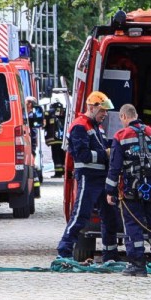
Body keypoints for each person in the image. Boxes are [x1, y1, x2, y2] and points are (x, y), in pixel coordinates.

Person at [105, 104, 151, 277]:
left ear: (123, 117)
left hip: (131, 188)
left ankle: (137, 264)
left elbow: (115, 167)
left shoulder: (121, 136)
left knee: (133, 225)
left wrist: (110, 191)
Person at [57, 91, 119, 262]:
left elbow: (104, 145)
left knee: (110, 218)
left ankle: (110, 256)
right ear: (92, 108)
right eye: (102, 111)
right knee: (80, 216)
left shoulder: (96, 127)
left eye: (106, 112)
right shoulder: (80, 126)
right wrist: (105, 154)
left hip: (102, 178)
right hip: (88, 177)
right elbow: (82, 155)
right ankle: (64, 251)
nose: (105, 115)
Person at [44, 101, 66, 178]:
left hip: (54, 139)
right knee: (63, 155)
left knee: (56, 156)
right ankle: (64, 172)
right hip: (64, 139)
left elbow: (44, 124)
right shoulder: (64, 112)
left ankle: (58, 173)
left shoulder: (49, 112)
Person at [26, 96, 41, 198]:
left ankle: (35, 191)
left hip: (30, 144)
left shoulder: (30, 116)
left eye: (26, 103)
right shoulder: (32, 116)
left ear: (30, 104)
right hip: (31, 144)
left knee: (32, 166)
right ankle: (36, 191)